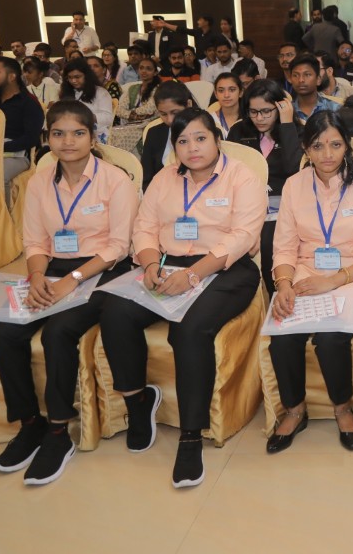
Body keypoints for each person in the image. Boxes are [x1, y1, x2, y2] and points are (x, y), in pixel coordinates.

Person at [98, 108, 266, 488]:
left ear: (217, 139)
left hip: (225, 269)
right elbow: (144, 227)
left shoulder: (243, 178)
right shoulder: (164, 178)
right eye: (183, 141)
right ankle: (138, 403)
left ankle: (191, 434)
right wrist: (148, 264)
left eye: (201, 138)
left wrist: (193, 275)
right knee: (115, 312)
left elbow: (241, 237)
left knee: (189, 330)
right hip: (167, 264)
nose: (192, 148)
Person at [0, 101, 137, 484]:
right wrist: (37, 275)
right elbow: (35, 241)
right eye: (58, 133)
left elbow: (119, 246)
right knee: (1, 331)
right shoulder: (39, 182)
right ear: (47, 138)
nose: (68, 141)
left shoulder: (114, 180)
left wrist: (74, 278)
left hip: (103, 271)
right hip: (51, 268)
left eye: (78, 133)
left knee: (59, 331)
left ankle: (58, 431)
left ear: (93, 137)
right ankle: (30, 423)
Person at [266, 109, 353, 453]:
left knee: (330, 336)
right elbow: (284, 247)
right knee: (282, 334)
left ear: (347, 146)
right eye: (318, 146)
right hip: (307, 273)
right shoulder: (294, 186)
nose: (327, 154)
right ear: (306, 149)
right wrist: (283, 284)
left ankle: (342, 408)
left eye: (336, 145)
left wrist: (335, 280)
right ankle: (295, 410)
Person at [228, 78, 301, 294]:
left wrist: (287, 125)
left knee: (269, 237)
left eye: (267, 111)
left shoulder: (296, 130)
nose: (259, 118)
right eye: (253, 112)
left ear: (280, 107)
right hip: (245, 204)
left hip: (283, 207)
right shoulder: (239, 131)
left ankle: (276, 294)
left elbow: (295, 169)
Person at [0, 56, 44, 192]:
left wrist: (1, 147)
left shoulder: (29, 102)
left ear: (12, 76)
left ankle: (3, 207)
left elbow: (31, 138)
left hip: (17, 155)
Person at [140, 82, 193, 190]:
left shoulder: (205, 132)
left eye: (175, 113)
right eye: (163, 114)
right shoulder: (154, 134)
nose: (170, 120)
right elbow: (146, 178)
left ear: (188, 105)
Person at [110, 58, 160, 154]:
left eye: (148, 69)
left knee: (125, 134)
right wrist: (132, 115)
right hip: (132, 124)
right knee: (112, 132)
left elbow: (149, 110)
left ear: (155, 72)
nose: (144, 71)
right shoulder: (133, 88)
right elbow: (119, 110)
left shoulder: (158, 89)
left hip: (149, 124)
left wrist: (130, 114)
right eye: (141, 68)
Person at [58, 58, 113, 144]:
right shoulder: (65, 93)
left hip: (95, 134)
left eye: (77, 77)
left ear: (86, 76)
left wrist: (86, 116)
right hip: (69, 132)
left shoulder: (100, 92)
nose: (73, 81)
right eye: (70, 77)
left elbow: (108, 118)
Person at [289, 54, 336, 125]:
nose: (301, 80)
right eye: (295, 75)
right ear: (290, 80)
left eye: (307, 75)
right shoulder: (287, 111)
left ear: (318, 80)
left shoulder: (334, 109)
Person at [209, 72, 243, 137]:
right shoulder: (210, 120)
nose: (226, 95)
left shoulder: (249, 118)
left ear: (241, 92)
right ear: (216, 94)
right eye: (221, 91)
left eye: (232, 90)